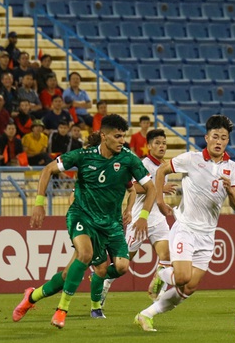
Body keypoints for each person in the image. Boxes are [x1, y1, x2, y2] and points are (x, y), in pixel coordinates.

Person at [12, 114, 156, 328]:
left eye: (123, 136)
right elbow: (47, 169)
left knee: (117, 267)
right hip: (82, 216)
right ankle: (62, 310)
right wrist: (39, 203)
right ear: (103, 136)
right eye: (117, 136)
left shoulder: (128, 159)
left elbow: (150, 188)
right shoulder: (83, 155)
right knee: (86, 254)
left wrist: (141, 215)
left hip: (111, 223)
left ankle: (31, 296)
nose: (122, 141)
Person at [134, 114, 235, 332]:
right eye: (215, 136)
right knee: (181, 277)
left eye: (223, 137)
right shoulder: (192, 159)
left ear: (227, 141)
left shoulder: (233, 169)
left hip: (207, 235)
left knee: (189, 288)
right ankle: (162, 273)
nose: (219, 141)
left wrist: (231, 191)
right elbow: (163, 169)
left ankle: (146, 314)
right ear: (207, 137)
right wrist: (161, 201)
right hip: (185, 228)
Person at [95, 128, 177, 312]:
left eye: (164, 143)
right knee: (121, 264)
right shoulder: (142, 164)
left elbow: (156, 193)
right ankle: (102, 281)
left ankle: (158, 295)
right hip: (141, 219)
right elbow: (134, 188)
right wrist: (160, 188)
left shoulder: (165, 167)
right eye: (157, 143)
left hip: (158, 220)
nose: (161, 146)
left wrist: (161, 200)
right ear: (148, 146)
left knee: (167, 256)